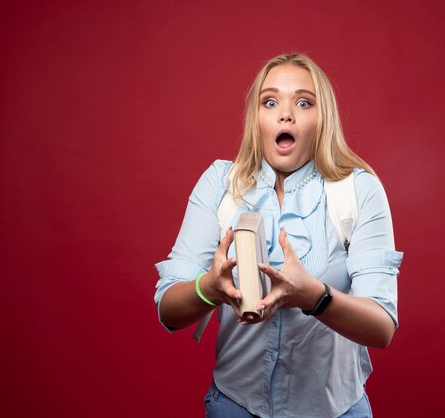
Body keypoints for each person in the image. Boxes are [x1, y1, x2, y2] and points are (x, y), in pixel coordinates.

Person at [154, 53, 403, 418]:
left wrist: (315, 298)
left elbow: (381, 327)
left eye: (304, 103)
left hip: (335, 410)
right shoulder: (219, 185)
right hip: (235, 406)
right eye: (270, 102)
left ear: (323, 120)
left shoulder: (358, 189)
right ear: (257, 119)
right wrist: (209, 288)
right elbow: (168, 312)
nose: (285, 114)